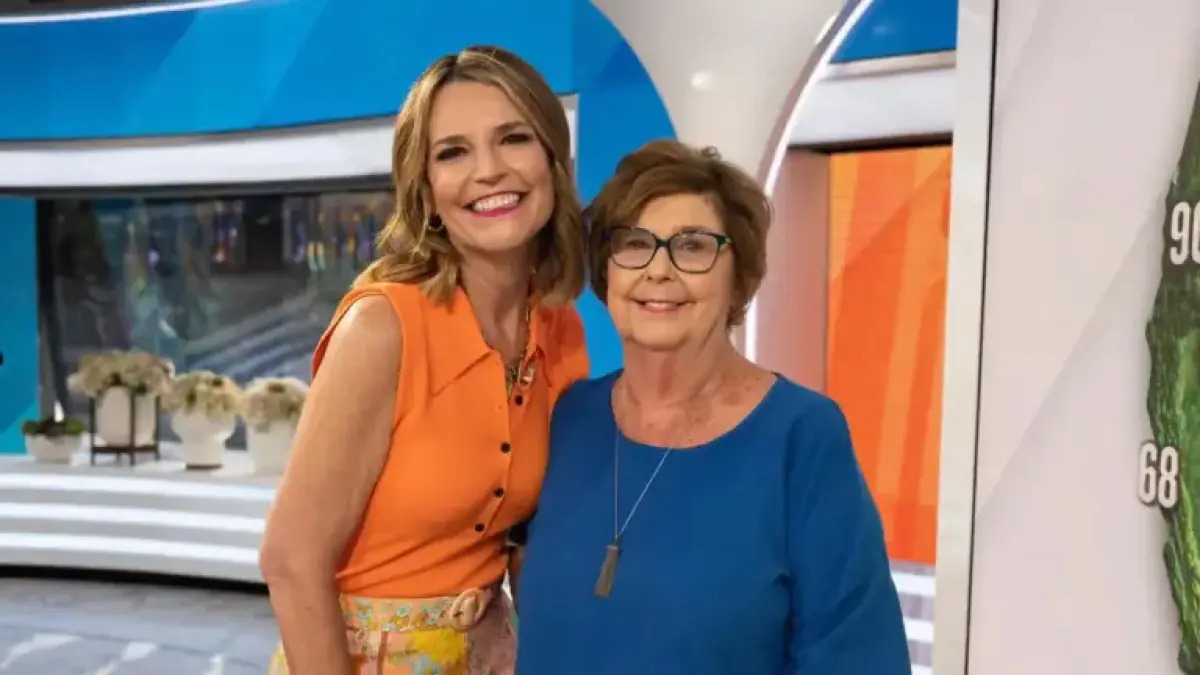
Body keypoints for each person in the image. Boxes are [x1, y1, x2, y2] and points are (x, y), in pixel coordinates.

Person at [514, 140, 911, 673]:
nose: (659, 270)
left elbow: (859, 659)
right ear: (607, 271)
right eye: (634, 243)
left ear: (737, 275)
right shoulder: (568, 417)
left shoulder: (802, 438)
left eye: (693, 247)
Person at [259, 45, 589, 674]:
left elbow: (527, 541)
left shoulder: (560, 327)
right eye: (453, 152)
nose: (488, 171)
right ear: (427, 191)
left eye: (513, 138)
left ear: (552, 159)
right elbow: (291, 560)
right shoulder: (381, 328)